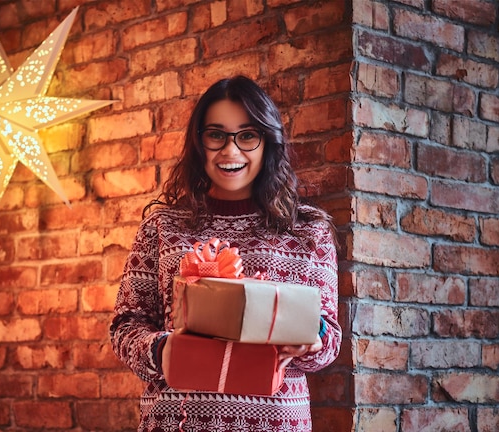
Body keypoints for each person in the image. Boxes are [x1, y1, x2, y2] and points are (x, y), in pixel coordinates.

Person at [110, 75, 341, 432]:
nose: (230, 151)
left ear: (268, 142)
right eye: (216, 135)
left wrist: (311, 338)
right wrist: (162, 350)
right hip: (176, 423)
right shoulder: (162, 227)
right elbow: (126, 326)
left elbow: (330, 340)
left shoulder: (309, 229)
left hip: (277, 425)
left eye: (247, 136)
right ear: (199, 142)